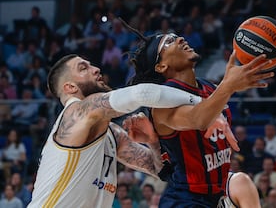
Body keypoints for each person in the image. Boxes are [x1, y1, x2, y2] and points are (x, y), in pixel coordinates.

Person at [27, 53, 216, 207]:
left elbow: (162, 172)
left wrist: (153, 143)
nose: (96, 69)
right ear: (70, 87)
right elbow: (141, 94)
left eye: (91, 64)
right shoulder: (76, 112)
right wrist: (207, 104)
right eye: (83, 68)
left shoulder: (113, 135)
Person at [126, 32, 271, 207]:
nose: (180, 39)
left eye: (176, 36)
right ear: (161, 66)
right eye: (169, 42)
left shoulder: (210, 88)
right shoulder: (161, 105)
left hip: (217, 195)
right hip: (186, 199)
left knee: (242, 182)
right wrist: (229, 85)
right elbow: (198, 119)